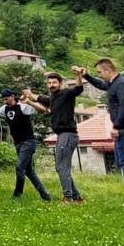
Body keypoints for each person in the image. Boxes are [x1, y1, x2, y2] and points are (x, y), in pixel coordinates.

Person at [76, 59, 124, 205]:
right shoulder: (114, 83)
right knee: (123, 162)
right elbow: (100, 84)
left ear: (108, 70)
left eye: (100, 72)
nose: (100, 75)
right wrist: (86, 75)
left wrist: (116, 126)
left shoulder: (122, 84)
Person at [0, 88, 52, 202]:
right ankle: (45, 196)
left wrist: (29, 102)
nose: (4, 101)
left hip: (28, 141)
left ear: (13, 96)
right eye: (3, 100)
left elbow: (42, 110)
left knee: (19, 167)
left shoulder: (22, 106)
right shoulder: (4, 108)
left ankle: (17, 195)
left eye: (6, 99)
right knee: (29, 171)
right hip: (18, 143)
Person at [39, 71, 86, 203]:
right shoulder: (54, 98)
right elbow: (43, 100)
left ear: (61, 83)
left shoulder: (66, 93)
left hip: (68, 134)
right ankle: (76, 197)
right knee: (60, 167)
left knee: (62, 167)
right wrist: (30, 95)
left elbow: (78, 89)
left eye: (54, 82)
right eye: (49, 83)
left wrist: (78, 75)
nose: (51, 85)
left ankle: (68, 198)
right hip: (61, 135)